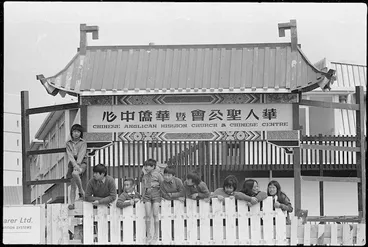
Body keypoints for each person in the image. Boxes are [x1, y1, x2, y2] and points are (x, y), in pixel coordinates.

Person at [141, 159, 164, 244]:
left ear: (153, 167)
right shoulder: (145, 176)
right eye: (145, 165)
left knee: (155, 214)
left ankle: (156, 235)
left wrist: (162, 194)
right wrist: (142, 195)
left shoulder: (158, 175)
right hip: (147, 195)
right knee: (147, 215)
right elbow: (143, 186)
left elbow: (162, 184)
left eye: (148, 166)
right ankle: (148, 235)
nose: (145, 167)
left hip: (156, 195)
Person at [66, 124, 87, 210]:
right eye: (74, 131)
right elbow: (69, 155)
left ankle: (81, 191)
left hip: (82, 163)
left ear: (80, 133)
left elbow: (82, 154)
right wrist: (74, 164)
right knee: (72, 185)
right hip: (72, 163)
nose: (76, 133)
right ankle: (72, 203)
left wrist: (77, 164)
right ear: (72, 132)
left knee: (75, 173)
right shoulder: (68, 143)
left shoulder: (83, 143)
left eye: (78, 132)